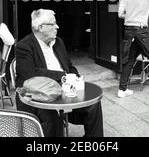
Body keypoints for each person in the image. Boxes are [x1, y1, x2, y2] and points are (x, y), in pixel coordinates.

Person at [15, 9, 103, 137]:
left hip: (65, 91)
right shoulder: (24, 46)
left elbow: (70, 66)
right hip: (39, 95)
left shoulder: (59, 42)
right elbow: (31, 74)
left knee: (94, 104)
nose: (57, 26)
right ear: (41, 27)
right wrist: (63, 76)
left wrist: (75, 78)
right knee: (51, 117)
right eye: (53, 24)